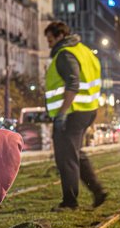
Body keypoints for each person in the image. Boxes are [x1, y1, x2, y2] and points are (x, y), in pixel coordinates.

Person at [44, 21, 108, 211]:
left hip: (72, 111)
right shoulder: (85, 51)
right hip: (87, 109)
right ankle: (98, 191)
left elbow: (73, 83)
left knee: (66, 157)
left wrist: (62, 113)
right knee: (75, 153)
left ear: (59, 36)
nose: (48, 44)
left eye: (49, 39)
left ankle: (70, 202)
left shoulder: (65, 54)